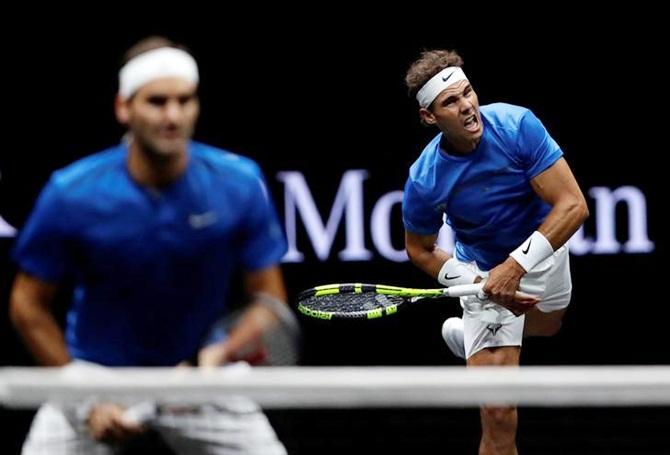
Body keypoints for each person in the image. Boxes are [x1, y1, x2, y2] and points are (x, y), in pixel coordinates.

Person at [9, 36, 290, 454]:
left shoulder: (239, 182)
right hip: (94, 375)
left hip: (198, 375)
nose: (173, 115)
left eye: (185, 100)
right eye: (157, 101)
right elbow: (27, 305)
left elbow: (269, 301)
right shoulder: (72, 192)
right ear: (124, 108)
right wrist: (83, 400)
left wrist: (211, 358)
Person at [402, 49, 589, 454]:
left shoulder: (517, 124)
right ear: (429, 117)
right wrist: (478, 284)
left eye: (467, 92)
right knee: (498, 411)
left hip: (544, 250)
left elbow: (572, 206)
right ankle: (477, 331)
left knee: (547, 325)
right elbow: (419, 249)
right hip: (484, 272)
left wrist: (515, 266)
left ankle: (464, 338)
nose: (468, 106)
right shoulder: (425, 178)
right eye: (450, 102)